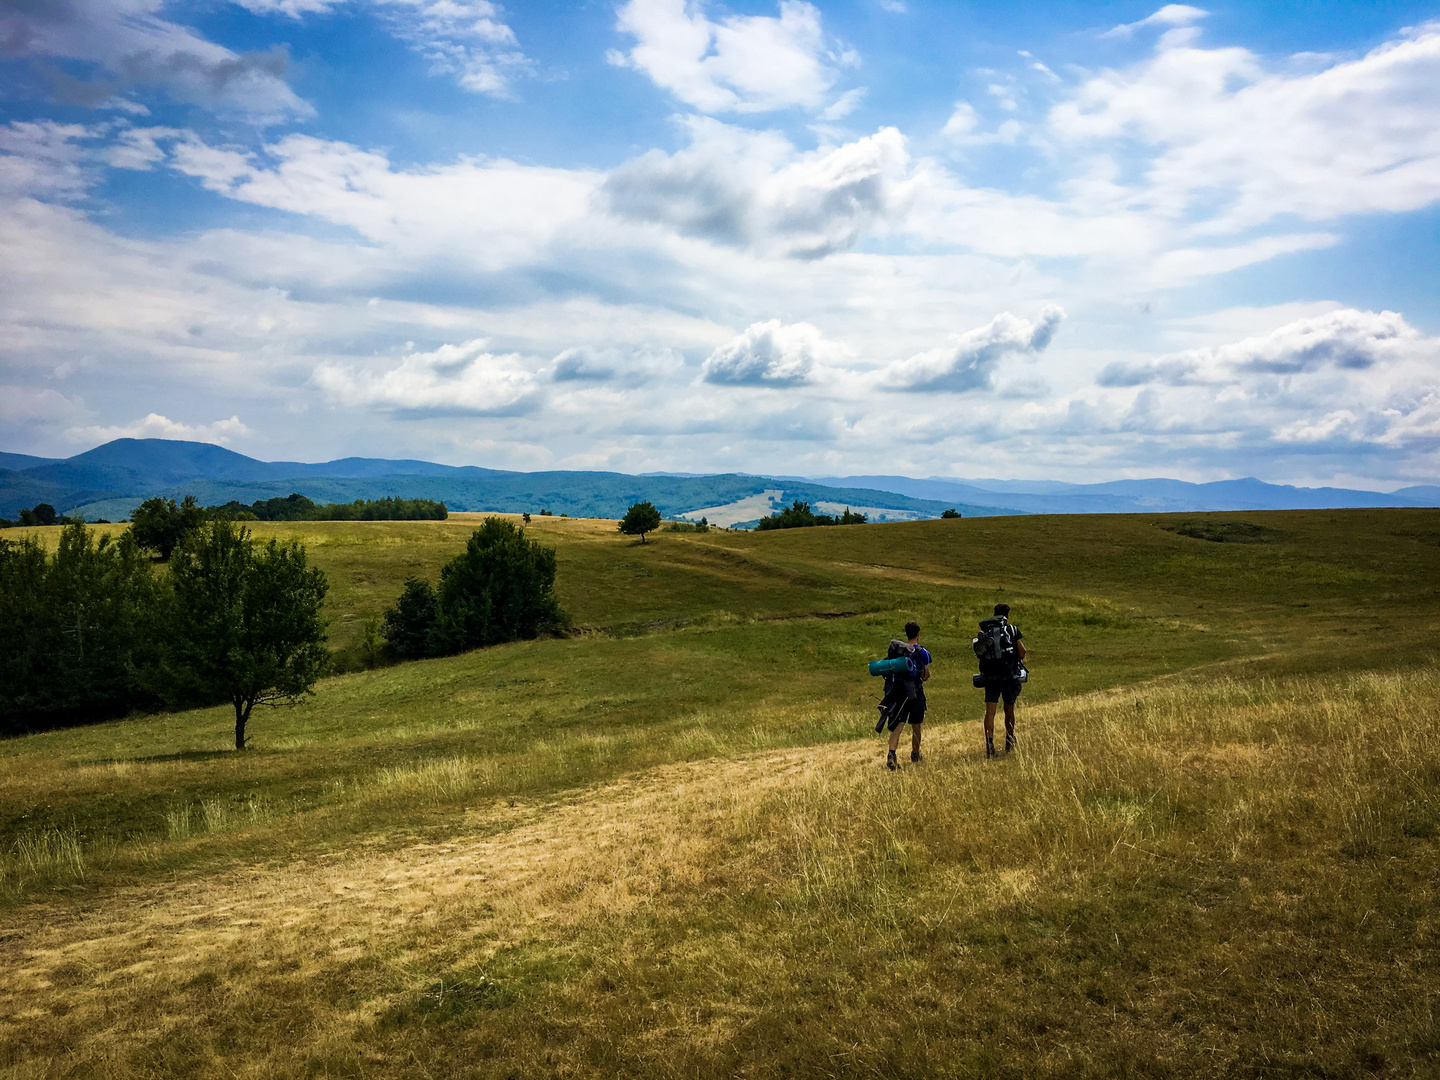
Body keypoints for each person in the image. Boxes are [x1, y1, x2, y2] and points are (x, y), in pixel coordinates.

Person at [877, 621, 930, 770]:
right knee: (916, 725)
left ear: (907, 634)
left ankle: (891, 754)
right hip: (916, 694)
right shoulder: (922, 652)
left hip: (900, 693)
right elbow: (926, 675)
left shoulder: (899, 652)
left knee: (898, 726)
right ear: (918, 634)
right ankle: (915, 753)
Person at [978, 603, 1025, 757]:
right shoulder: (1012, 630)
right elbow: (1022, 652)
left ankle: (989, 744)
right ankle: (1009, 739)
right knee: (1008, 709)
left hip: (991, 676)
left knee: (990, 712)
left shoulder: (986, 631)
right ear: (1007, 615)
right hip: (1009, 676)